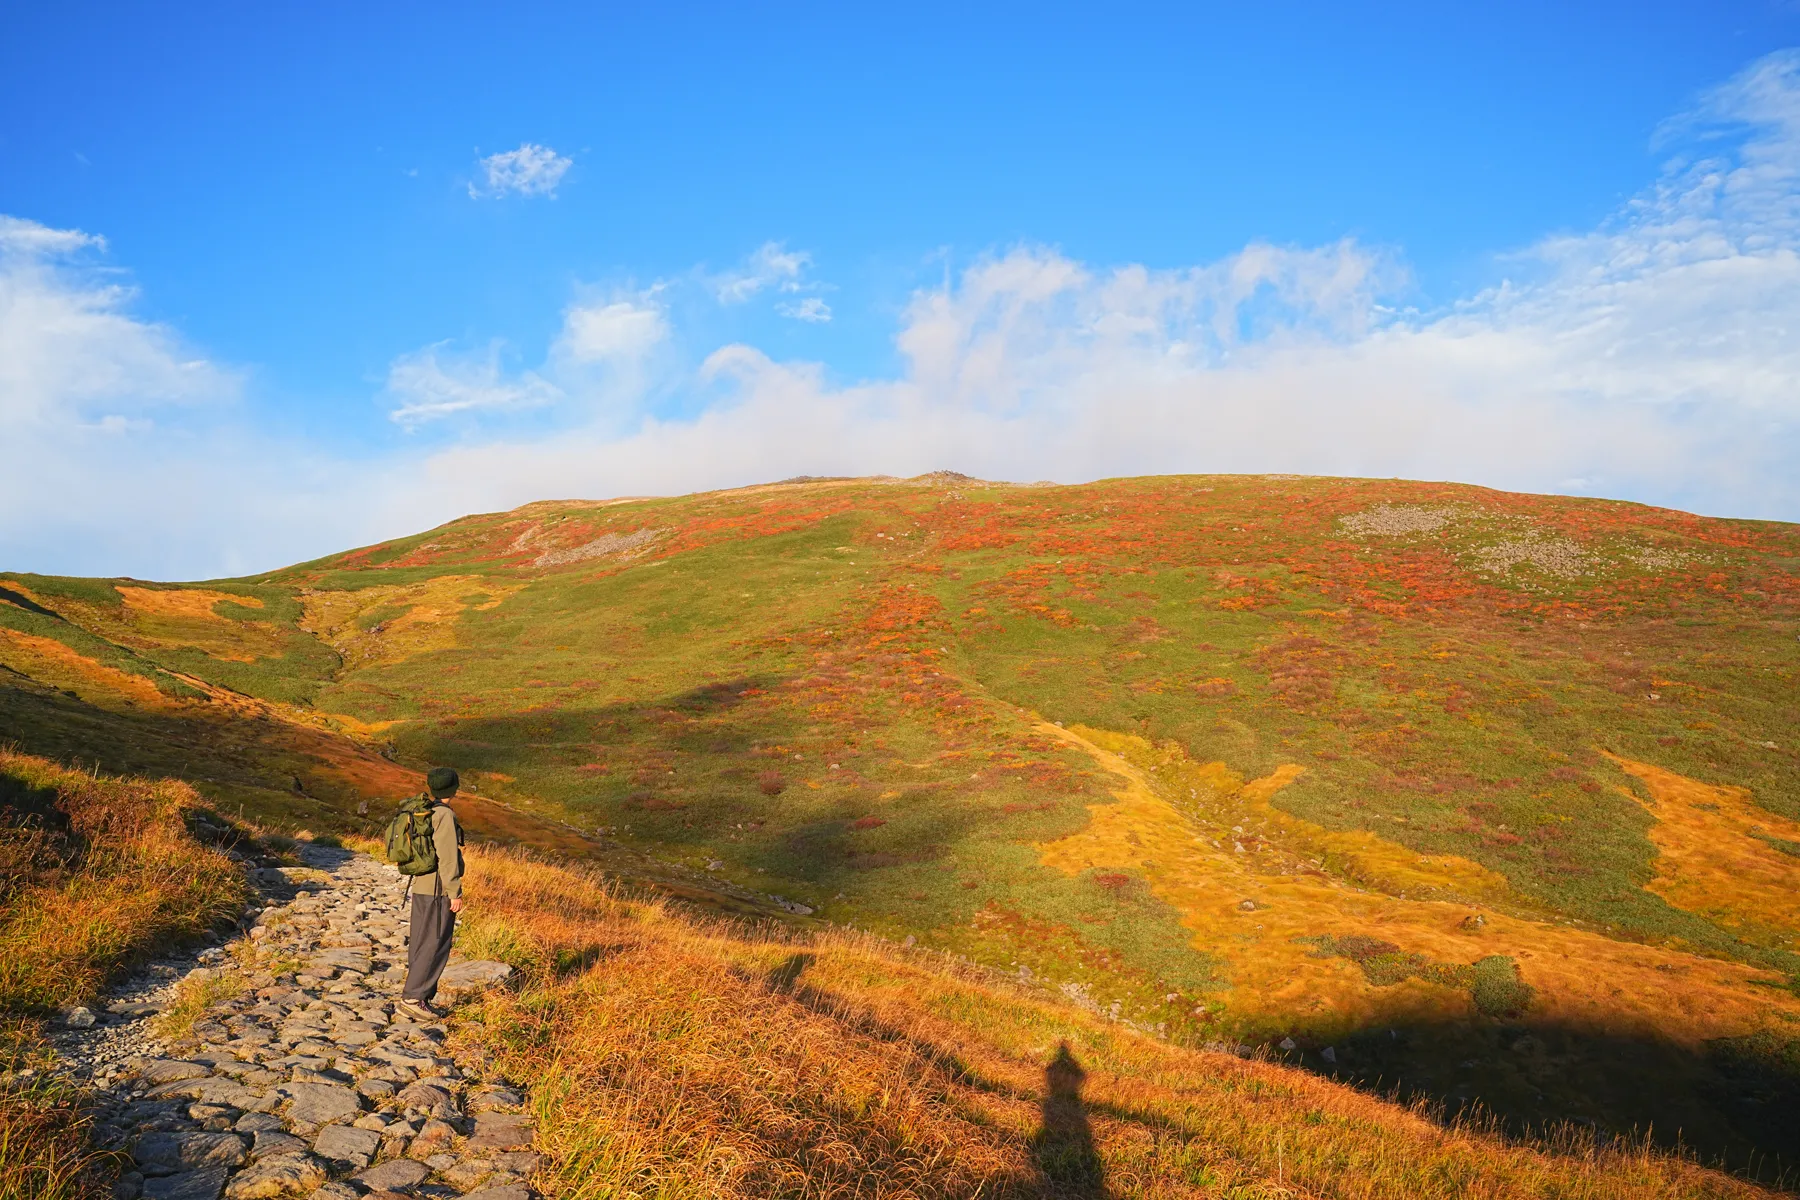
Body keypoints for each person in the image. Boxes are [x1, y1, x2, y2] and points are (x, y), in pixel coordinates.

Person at [398, 766, 464, 1022]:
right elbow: (448, 858)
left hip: (421, 887)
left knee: (420, 940)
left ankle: (417, 997)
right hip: (438, 890)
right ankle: (414, 999)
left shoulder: (425, 811)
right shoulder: (444, 816)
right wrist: (454, 892)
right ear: (453, 788)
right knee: (435, 942)